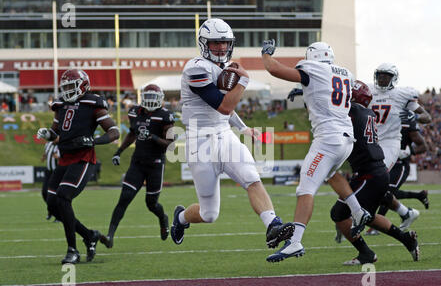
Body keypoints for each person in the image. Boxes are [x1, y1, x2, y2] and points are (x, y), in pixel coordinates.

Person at [171, 18, 294, 251]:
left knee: (251, 177)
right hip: (199, 140)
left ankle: (273, 225)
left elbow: (226, 111)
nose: (220, 48)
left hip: (224, 134)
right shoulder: (195, 67)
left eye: (224, 43)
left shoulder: (224, 68)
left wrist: (242, 128)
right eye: (215, 43)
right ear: (203, 43)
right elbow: (224, 106)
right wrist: (244, 81)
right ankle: (180, 218)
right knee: (209, 214)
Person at [261, 40, 372, 262]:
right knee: (331, 175)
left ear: (312, 56)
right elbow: (327, 91)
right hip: (346, 139)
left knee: (305, 189)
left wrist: (266, 53)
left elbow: (274, 68)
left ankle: (295, 242)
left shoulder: (312, 68)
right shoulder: (345, 73)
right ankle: (358, 211)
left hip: (328, 139)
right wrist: (302, 88)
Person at [330, 80, 419, 265]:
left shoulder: (352, 113)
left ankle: (366, 254)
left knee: (339, 213)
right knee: (367, 216)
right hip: (373, 172)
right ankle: (406, 239)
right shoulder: (367, 113)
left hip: (368, 174)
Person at [36, 69, 120, 264]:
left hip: (83, 159)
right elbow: (56, 134)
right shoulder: (61, 105)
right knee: (52, 205)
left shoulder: (93, 104)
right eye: (64, 87)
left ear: (83, 86)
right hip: (64, 159)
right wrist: (46, 134)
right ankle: (89, 235)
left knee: (63, 197)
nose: (67, 91)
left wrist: (93, 141)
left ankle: (72, 250)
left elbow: (114, 132)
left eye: (70, 87)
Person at [100, 84, 174, 248]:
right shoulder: (135, 112)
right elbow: (132, 133)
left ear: (160, 99)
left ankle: (163, 218)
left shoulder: (166, 116)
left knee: (151, 204)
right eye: (147, 97)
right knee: (124, 198)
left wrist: (153, 137)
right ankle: (110, 235)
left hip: (155, 164)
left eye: (153, 97)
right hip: (138, 163)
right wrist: (119, 151)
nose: (149, 101)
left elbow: (170, 145)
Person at [367, 63, 431, 229]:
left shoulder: (402, 94)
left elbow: (427, 117)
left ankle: (371, 219)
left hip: (389, 142)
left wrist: (414, 117)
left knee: (375, 180)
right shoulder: (367, 90)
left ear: (393, 78)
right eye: (379, 74)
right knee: (367, 181)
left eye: (386, 75)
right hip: (371, 141)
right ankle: (405, 212)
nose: (382, 78)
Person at [367, 108, 429, 235]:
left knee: (387, 191)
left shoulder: (406, 122)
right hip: (384, 161)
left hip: (399, 165)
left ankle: (377, 225)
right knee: (380, 190)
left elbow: (423, 146)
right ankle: (409, 209)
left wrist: (408, 152)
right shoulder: (382, 120)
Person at [41, 137, 60, 221]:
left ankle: (58, 215)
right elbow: (45, 153)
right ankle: (51, 210)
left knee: (54, 194)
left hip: (56, 172)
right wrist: (44, 157)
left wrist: (58, 157)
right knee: (44, 192)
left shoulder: (61, 146)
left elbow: (65, 157)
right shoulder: (48, 144)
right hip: (48, 172)